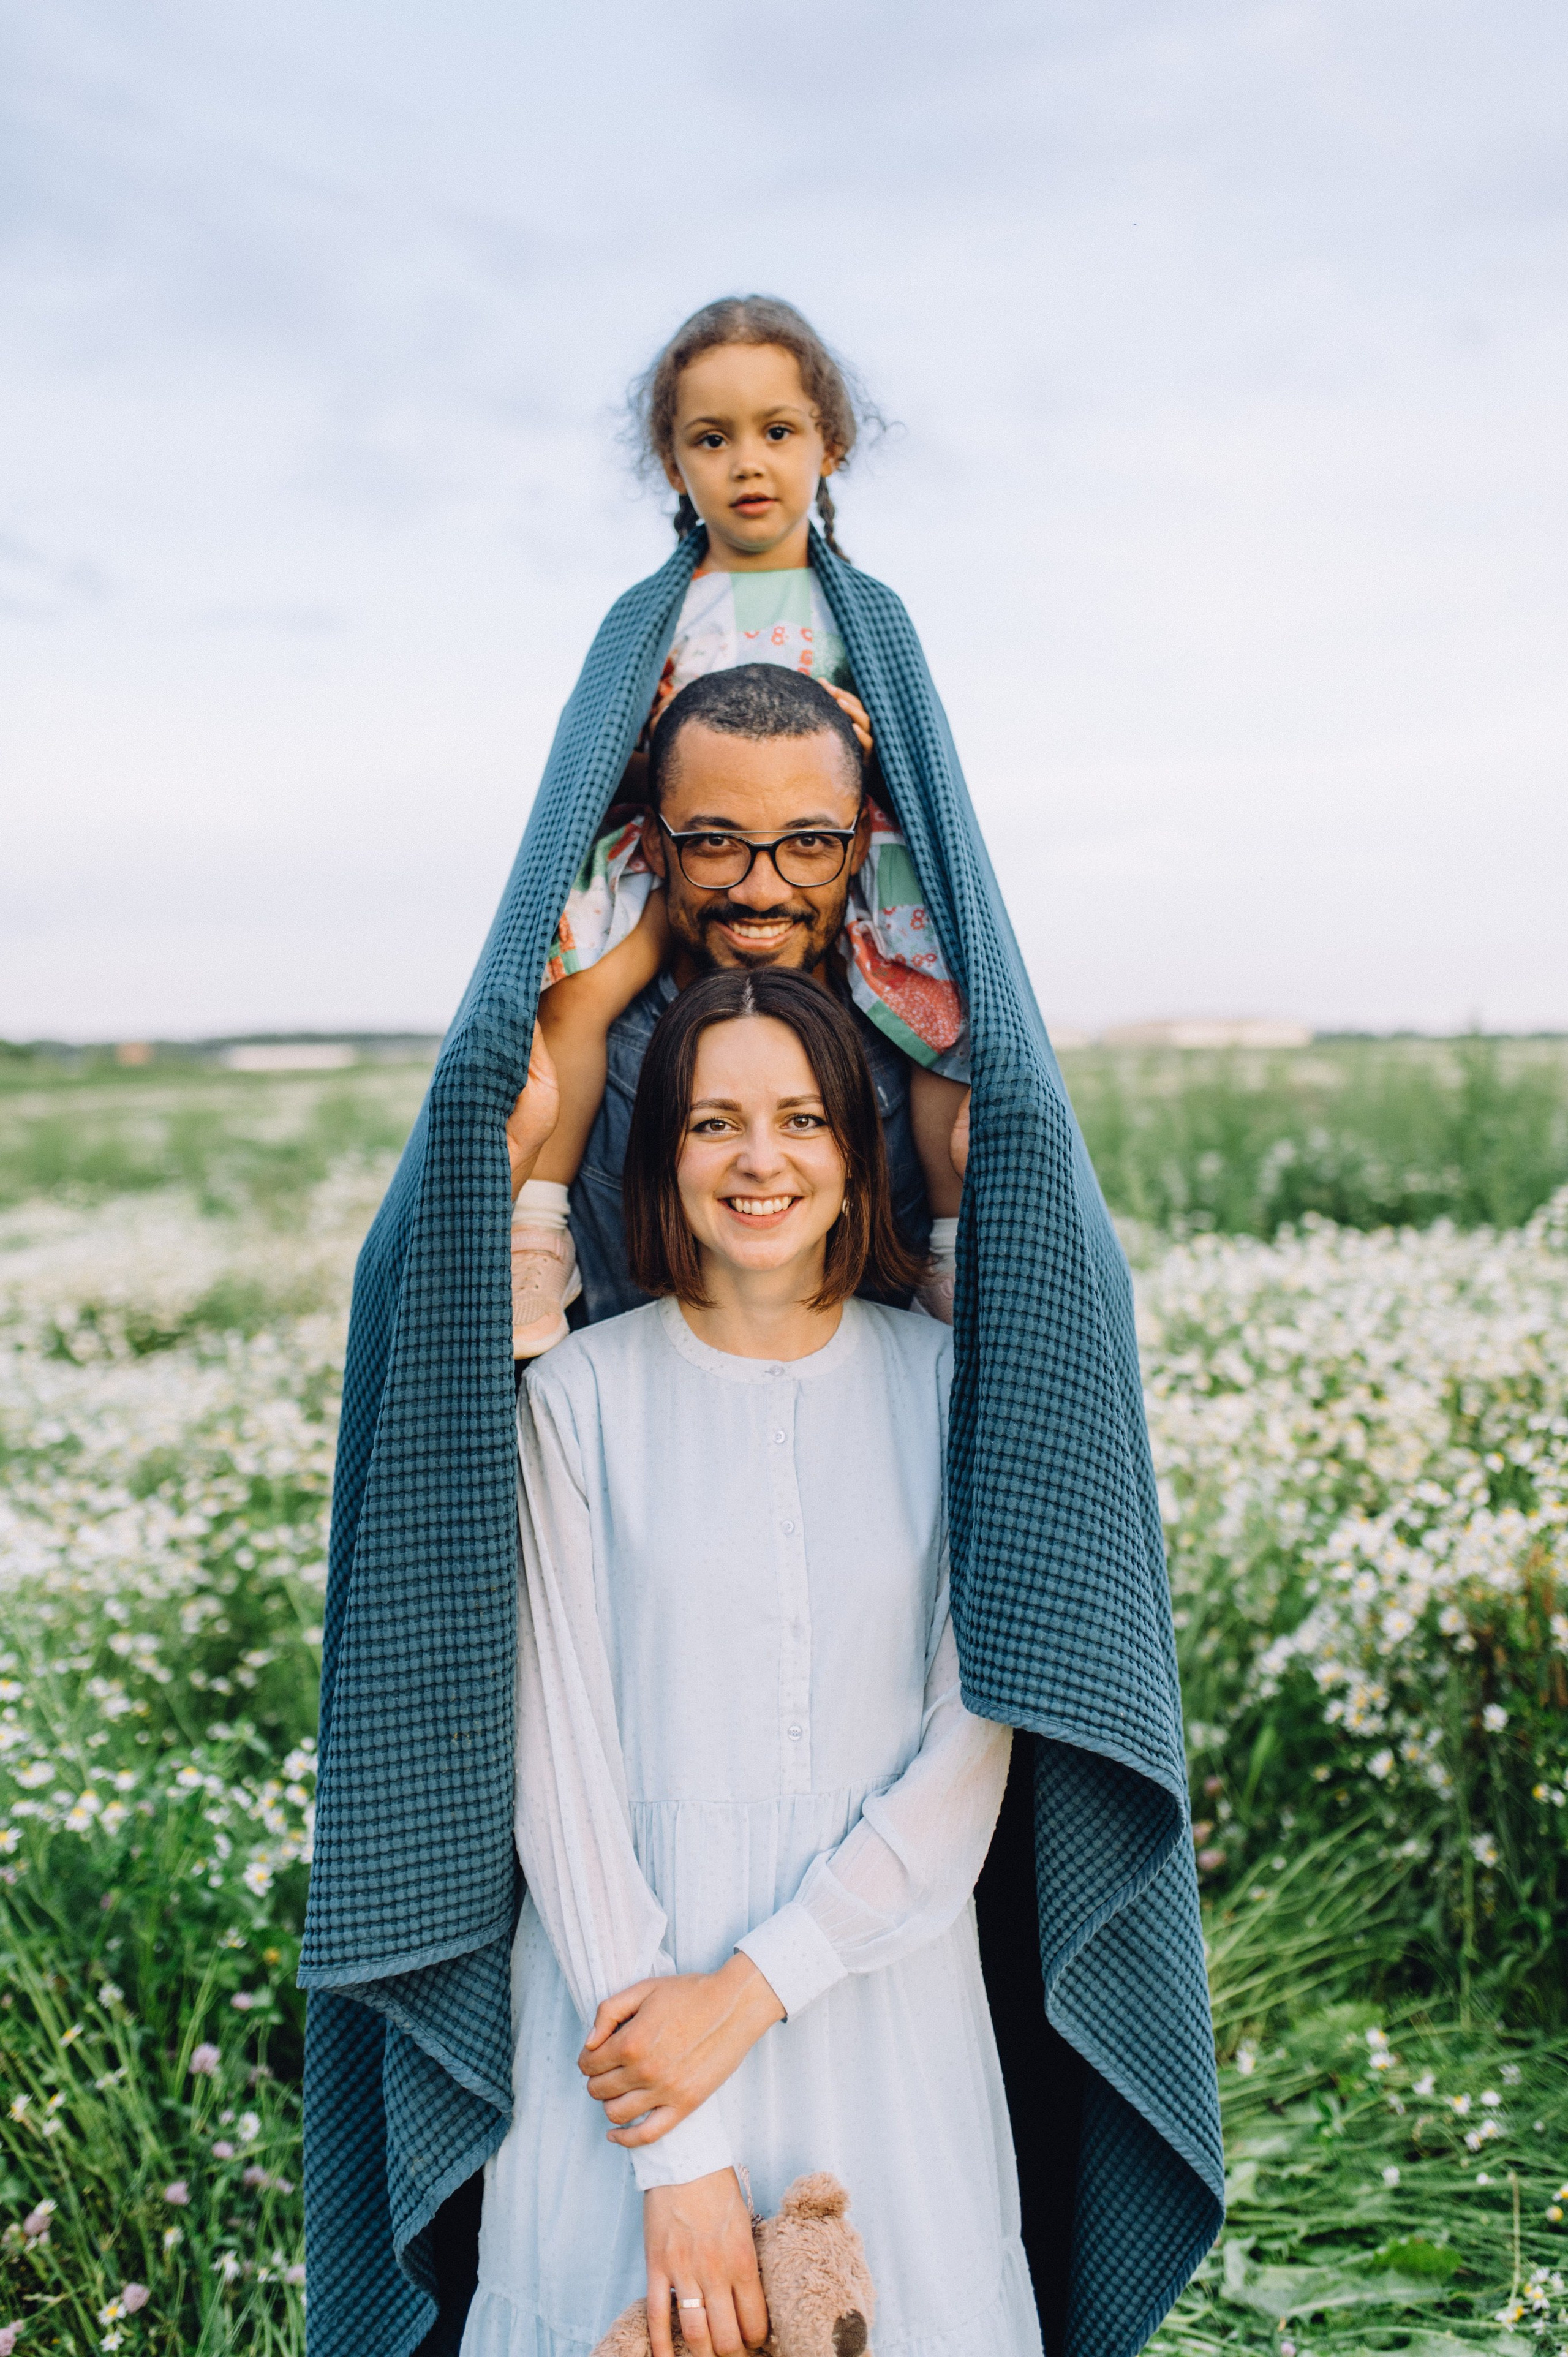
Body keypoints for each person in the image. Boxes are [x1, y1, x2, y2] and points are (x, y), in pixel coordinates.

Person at [467, 968, 1038, 2357]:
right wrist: (677, 2154)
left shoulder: (953, 1384)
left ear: (853, 1153)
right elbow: (559, 1778)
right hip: (623, 2019)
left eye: (798, 1117)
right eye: (713, 1122)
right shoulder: (575, 1399)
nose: (759, 1157)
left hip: (879, 1994)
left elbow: (967, 1753)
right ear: (663, 1157)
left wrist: (754, 1985)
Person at [508, 296, 970, 1356]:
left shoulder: (865, 612)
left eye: (777, 432)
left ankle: (949, 1237)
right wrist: (667, 756)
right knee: (578, 988)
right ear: (675, 465)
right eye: (711, 440)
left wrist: (850, 743)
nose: (747, 464)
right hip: (678, 855)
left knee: (943, 1002)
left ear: (830, 446)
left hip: (843, 857)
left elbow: (917, 764)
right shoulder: (652, 614)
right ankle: (539, 1230)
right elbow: (600, 763)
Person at [509, 663, 968, 1333]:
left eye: (809, 843)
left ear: (860, 843)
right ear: (657, 848)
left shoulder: (912, 1026)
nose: (761, 890)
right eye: (715, 843)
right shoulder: (588, 1033)